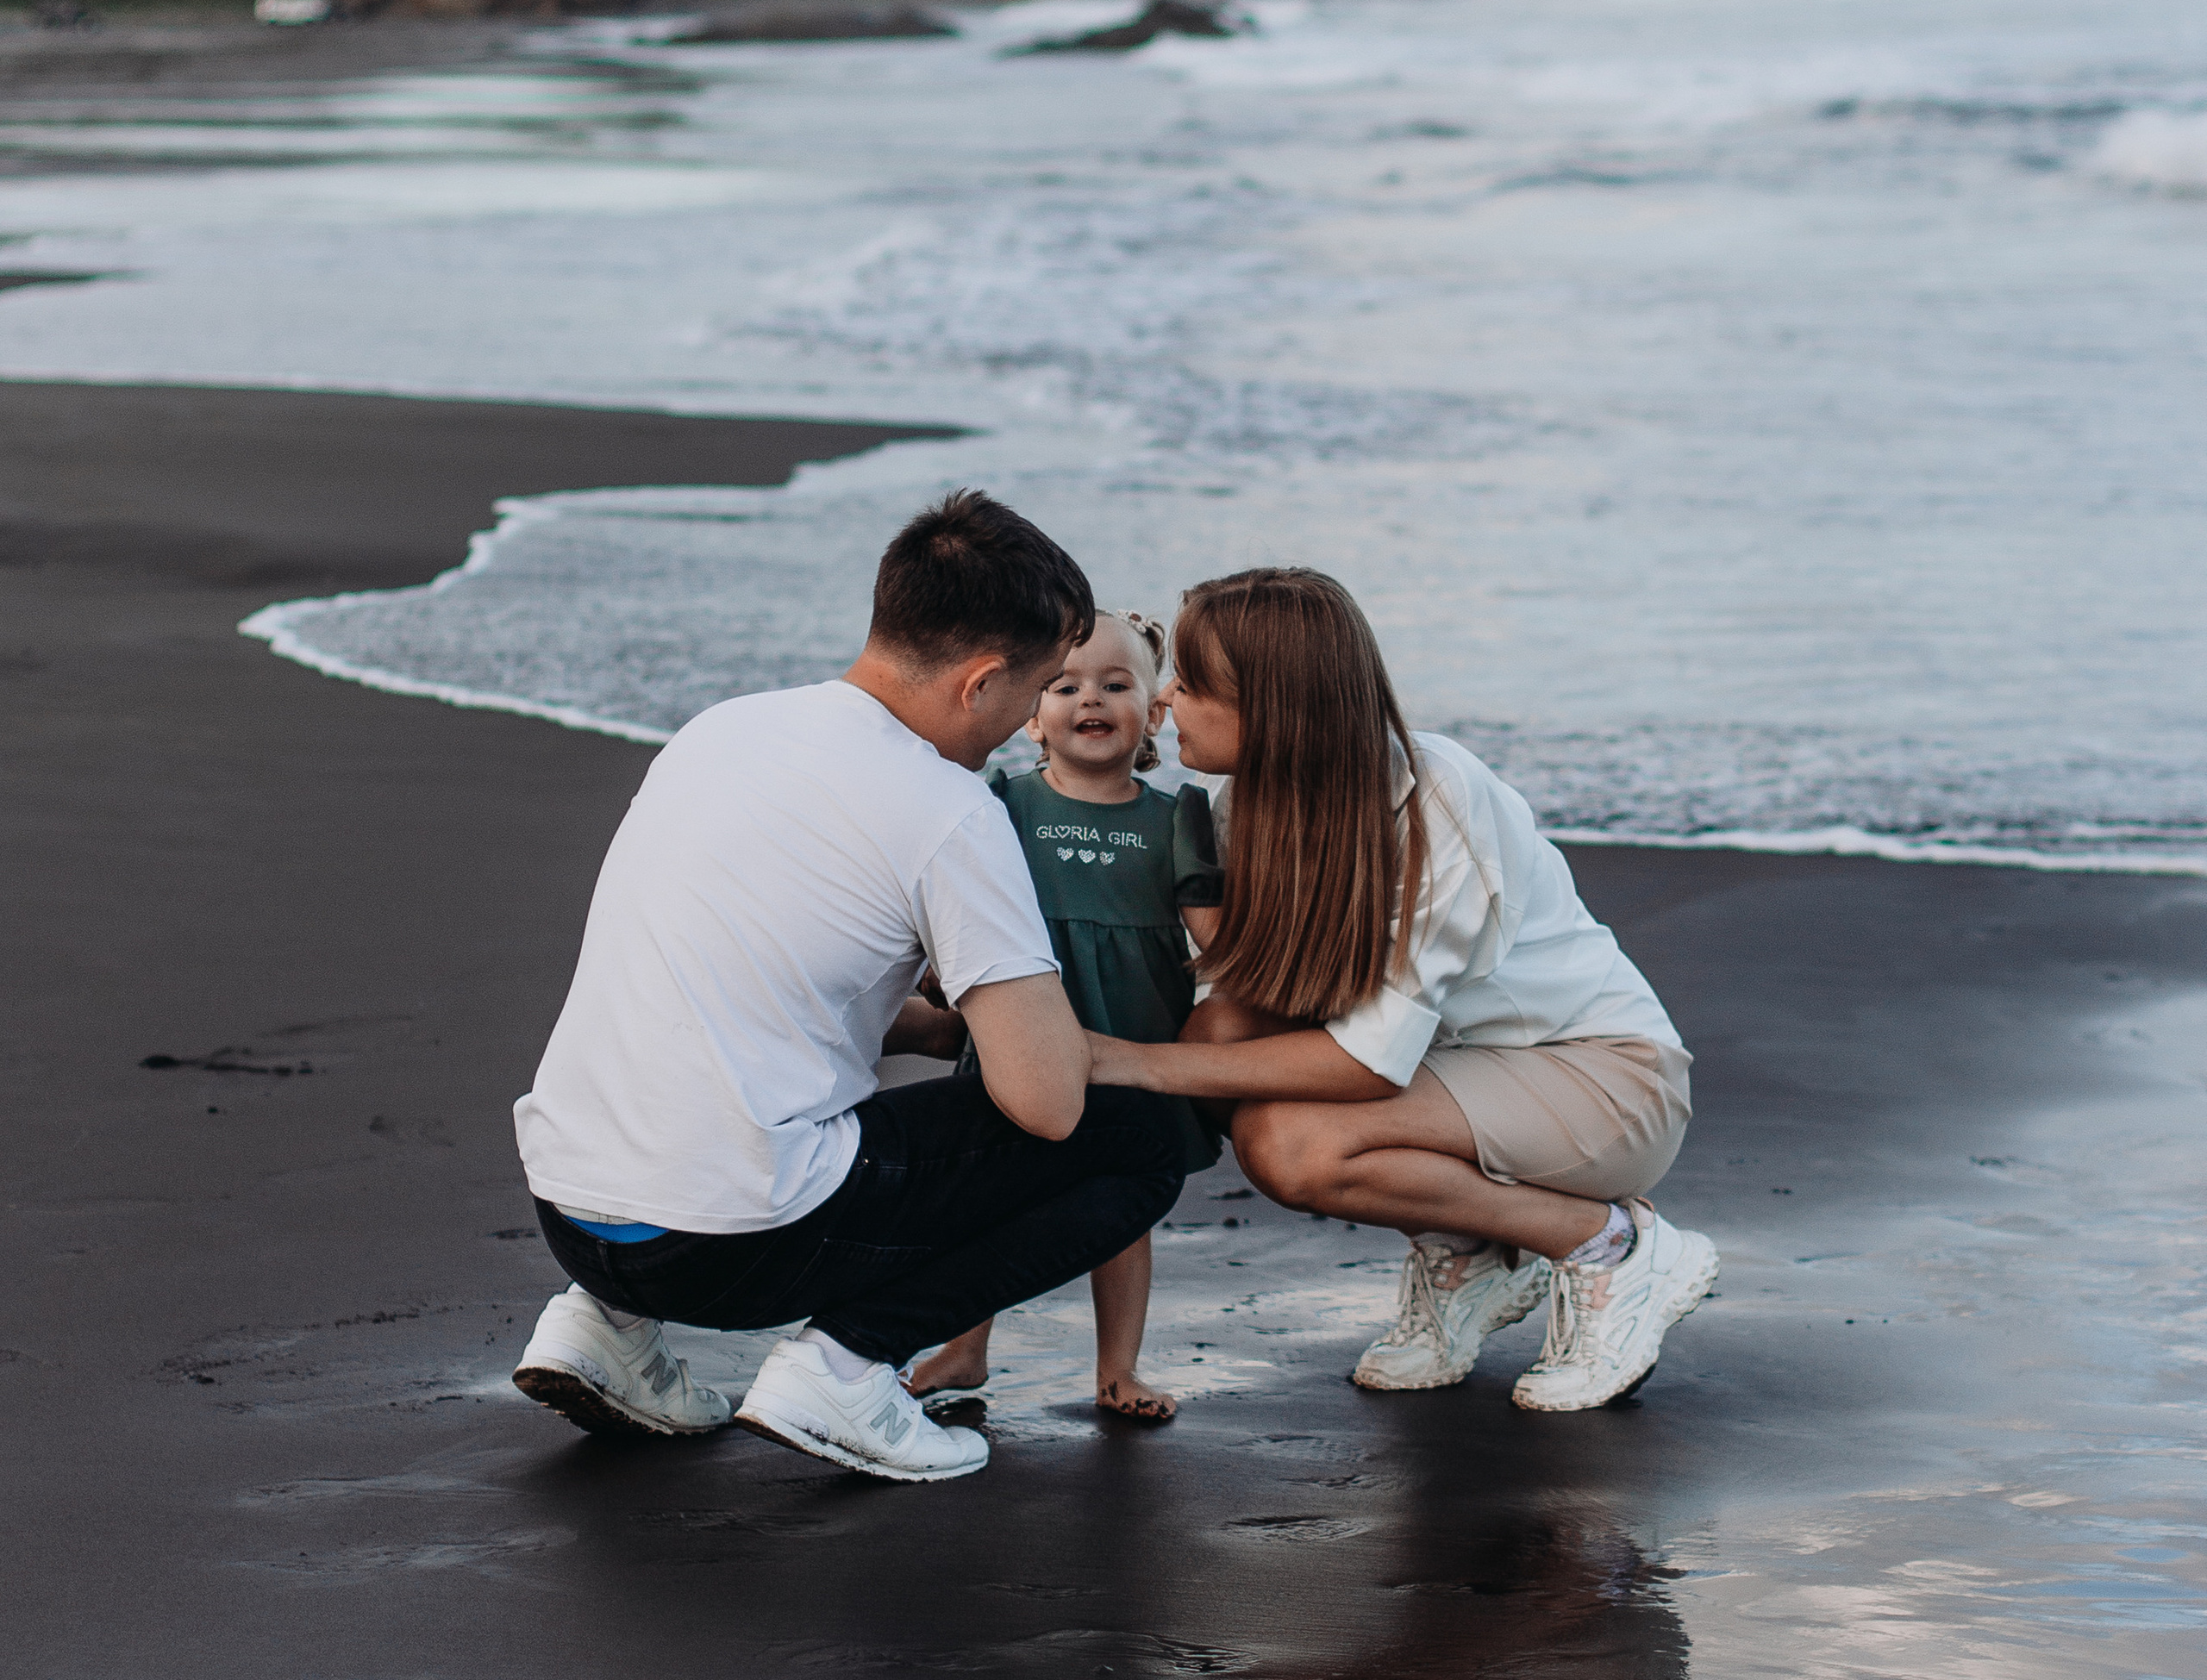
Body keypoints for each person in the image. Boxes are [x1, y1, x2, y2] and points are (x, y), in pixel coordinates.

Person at [508, 491, 1185, 1482]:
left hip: (572, 1212)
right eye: (1029, 694)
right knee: (1134, 1146)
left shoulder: (720, 730)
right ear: (982, 680)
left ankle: (602, 1330)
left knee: (720, 1085)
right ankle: (845, 1364)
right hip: (730, 1244)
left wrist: (925, 1028)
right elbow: (1044, 1104)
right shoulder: (948, 808)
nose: (1012, 734)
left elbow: (742, 990)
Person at [1084, 568, 1717, 1413]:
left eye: (1192, 684)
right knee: (1221, 1036)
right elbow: (1243, 989)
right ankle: (1469, 1256)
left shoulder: (1437, 799)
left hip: (1602, 1083)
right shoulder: (1243, 807)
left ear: (1274, 708)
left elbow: (1371, 1064)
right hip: (1453, 1073)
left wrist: (1133, 1064)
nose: (1162, 698)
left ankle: (1611, 1247)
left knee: (1292, 1146)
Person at [905, 610, 1223, 1424]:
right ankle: (965, 1345)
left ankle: (1118, 1369)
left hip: (1133, 1036)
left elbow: (1212, 939)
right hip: (1021, 1034)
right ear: (1032, 715)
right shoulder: (1001, 802)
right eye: (1065, 685)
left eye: (1117, 685)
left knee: (1121, 1211)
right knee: (991, 1195)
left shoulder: (1177, 816)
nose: (1092, 699)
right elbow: (953, 905)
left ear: (1154, 712)